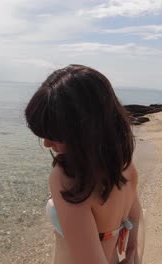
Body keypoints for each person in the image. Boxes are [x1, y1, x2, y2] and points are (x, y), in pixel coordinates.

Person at [25, 65, 145, 264]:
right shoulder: (124, 166)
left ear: (84, 130)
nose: (46, 143)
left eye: (54, 135)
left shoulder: (67, 178)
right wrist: (133, 254)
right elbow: (135, 219)